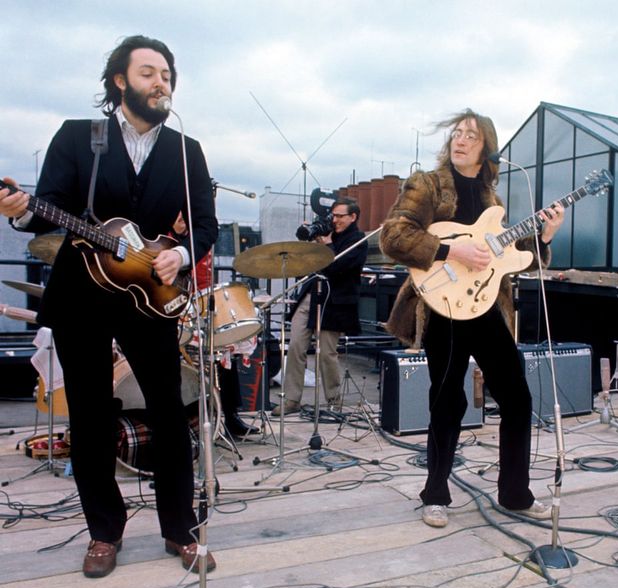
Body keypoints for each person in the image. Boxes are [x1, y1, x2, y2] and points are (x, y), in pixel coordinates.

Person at [0, 35, 218, 577]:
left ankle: (180, 530)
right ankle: (104, 531)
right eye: (148, 72)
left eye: (166, 74)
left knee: (170, 416)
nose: (160, 82)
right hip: (81, 297)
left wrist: (180, 256)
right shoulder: (81, 137)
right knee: (93, 419)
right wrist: (19, 212)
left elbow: (206, 224)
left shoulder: (186, 149)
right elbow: (46, 208)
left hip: (150, 298)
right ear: (120, 81)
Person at [379, 108, 564, 528]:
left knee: (517, 397)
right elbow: (394, 235)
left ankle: (515, 493)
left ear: (487, 149)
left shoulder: (492, 201)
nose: (459, 140)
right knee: (448, 401)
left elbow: (510, 261)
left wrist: (545, 238)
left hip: (485, 305)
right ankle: (436, 494)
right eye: (457, 134)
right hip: (441, 304)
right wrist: (449, 250)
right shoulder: (426, 184)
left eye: (471, 136)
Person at [272, 198, 368, 415]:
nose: (335, 221)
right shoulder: (327, 233)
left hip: (335, 300)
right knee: (295, 346)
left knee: (326, 352)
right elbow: (307, 264)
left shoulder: (358, 240)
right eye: (333, 216)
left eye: (340, 216)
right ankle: (291, 400)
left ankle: (334, 401)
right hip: (312, 294)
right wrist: (310, 239)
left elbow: (340, 266)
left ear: (353, 217)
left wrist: (327, 245)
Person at [172, 213, 253, 438]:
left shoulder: (199, 240)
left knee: (224, 350)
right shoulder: (163, 239)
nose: (182, 220)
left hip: (199, 305)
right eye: (178, 216)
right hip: (169, 306)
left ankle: (231, 415)